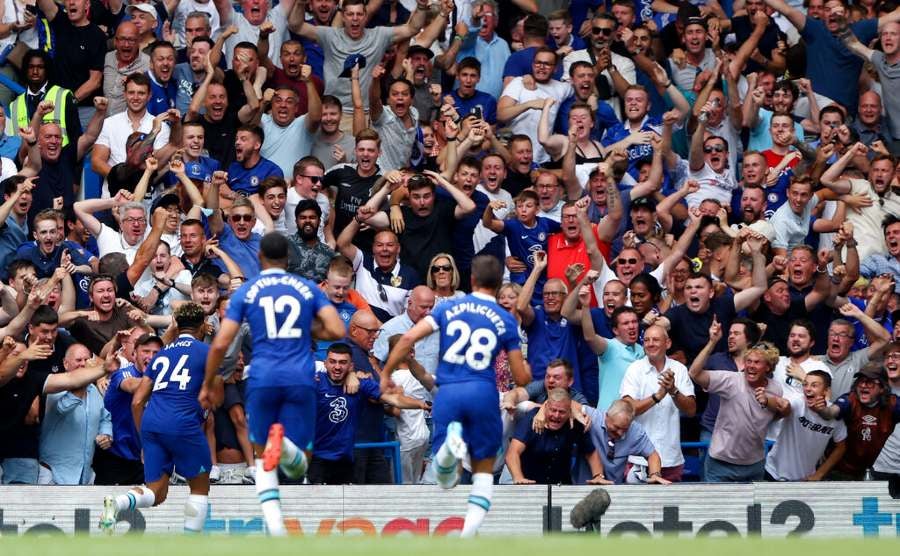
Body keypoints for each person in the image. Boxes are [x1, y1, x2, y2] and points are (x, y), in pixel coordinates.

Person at [203, 232, 344, 536]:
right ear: (289, 258)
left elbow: (220, 344)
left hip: (264, 376)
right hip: (300, 376)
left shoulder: (248, 291)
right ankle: (287, 448)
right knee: (300, 464)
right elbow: (336, 329)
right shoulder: (307, 288)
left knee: (260, 454)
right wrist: (306, 329)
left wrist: (206, 383)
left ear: (259, 257)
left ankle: (276, 528)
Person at [380, 255, 530, 538]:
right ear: (498, 286)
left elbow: (409, 338)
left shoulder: (448, 308)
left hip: (448, 391)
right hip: (483, 393)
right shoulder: (505, 320)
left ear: (471, 279)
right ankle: (466, 537)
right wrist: (527, 373)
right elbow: (521, 377)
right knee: (484, 475)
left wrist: (387, 372)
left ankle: (450, 450)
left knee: (447, 476)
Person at [99, 303, 212, 534]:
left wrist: (145, 440)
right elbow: (214, 391)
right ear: (202, 327)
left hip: (152, 425)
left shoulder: (162, 356)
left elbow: (137, 401)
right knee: (200, 488)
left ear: (177, 326)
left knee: (156, 493)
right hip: (183, 423)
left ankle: (118, 503)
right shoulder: (206, 352)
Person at [309, 342, 429, 484]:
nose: (337, 367)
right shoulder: (314, 382)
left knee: (348, 503)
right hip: (318, 458)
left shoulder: (361, 384)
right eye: (332, 362)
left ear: (351, 366)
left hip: (346, 459)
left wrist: (421, 404)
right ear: (325, 364)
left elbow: (394, 399)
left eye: (342, 362)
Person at [690, 319, 791, 482]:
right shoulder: (730, 380)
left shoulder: (775, 388)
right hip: (720, 464)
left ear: (768, 367)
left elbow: (781, 413)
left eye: (757, 362)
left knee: (751, 509)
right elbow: (694, 373)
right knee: (717, 508)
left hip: (754, 465)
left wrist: (768, 401)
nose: (750, 366)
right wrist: (712, 342)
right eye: (748, 361)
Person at [619, 325, 696, 482]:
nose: (650, 344)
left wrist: (674, 390)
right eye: (646, 340)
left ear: (667, 344)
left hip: (670, 458)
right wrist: (657, 397)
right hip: (638, 459)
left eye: (655, 340)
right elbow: (627, 409)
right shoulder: (634, 369)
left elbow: (691, 410)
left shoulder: (679, 370)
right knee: (636, 506)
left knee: (669, 507)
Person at [38, 343, 112, 485]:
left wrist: (106, 434)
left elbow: (105, 417)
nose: (83, 364)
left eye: (86, 360)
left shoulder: (95, 390)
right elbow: (63, 408)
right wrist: (88, 379)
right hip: (54, 474)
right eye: (78, 360)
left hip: (85, 474)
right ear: (66, 364)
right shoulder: (56, 385)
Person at [505, 388, 603, 485]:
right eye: (553, 410)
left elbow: (591, 452)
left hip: (561, 487)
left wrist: (598, 476)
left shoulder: (575, 423)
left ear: (570, 411)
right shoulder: (532, 419)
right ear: (545, 407)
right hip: (529, 485)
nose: (556, 415)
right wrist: (518, 478)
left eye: (561, 412)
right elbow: (513, 452)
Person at [764, 370, 848, 481]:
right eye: (805, 384)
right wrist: (766, 400)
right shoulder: (796, 402)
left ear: (826, 391)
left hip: (805, 479)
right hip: (773, 473)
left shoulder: (834, 415)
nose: (808, 389)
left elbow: (841, 447)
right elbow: (781, 404)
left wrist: (819, 474)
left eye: (814, 385)